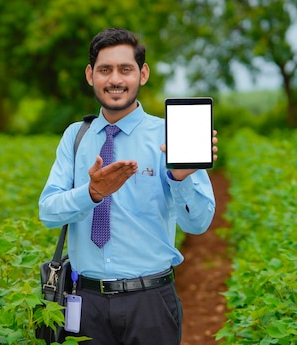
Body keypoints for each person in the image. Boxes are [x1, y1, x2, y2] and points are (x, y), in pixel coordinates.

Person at [39, 28, 219, 345]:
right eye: (105, 70)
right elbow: (48, 213)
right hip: (86, 301)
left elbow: (199, 224)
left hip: (150, 301)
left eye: (126, 69)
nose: (115, 80)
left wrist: (181, 179)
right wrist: (92, 193)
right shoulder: (75, 136)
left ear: (143, 73)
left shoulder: (169, 135)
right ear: (90, 74)